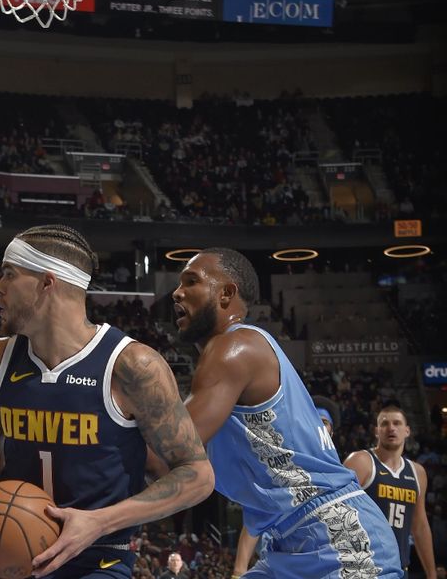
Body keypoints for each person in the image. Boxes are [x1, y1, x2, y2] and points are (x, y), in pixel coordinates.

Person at [0, 225, 214, 578]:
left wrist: (98, 522)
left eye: (9, 275)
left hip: (96, 557)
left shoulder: (133, 366)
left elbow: (197, 476)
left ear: (47, 282)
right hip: (4, 549)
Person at [174, 248, 403, 578]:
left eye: (191, 281)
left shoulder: (235, 348)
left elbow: (169, 451)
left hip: (338, 537)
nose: (177, 292)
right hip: (285, 542)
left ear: (226, 293)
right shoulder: (218, 376)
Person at [232, 395, 341, 577]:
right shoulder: (281, 466)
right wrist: (238, 571)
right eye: (313, 420)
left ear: (331, 432)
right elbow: (255, 521)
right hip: (280, 563)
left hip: (323, 565)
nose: (318, 427)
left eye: (324, 422)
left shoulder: (339, 472)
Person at [343, 406, 437, 579]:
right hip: (364, 567)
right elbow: (338, 514)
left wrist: (431, 574)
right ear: (376, 431)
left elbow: (420, 526)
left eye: (397, 423)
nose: (391, 428)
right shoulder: (361, 461)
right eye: (384, 423)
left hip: (400, 568)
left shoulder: (417, 472)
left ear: (407, 431)